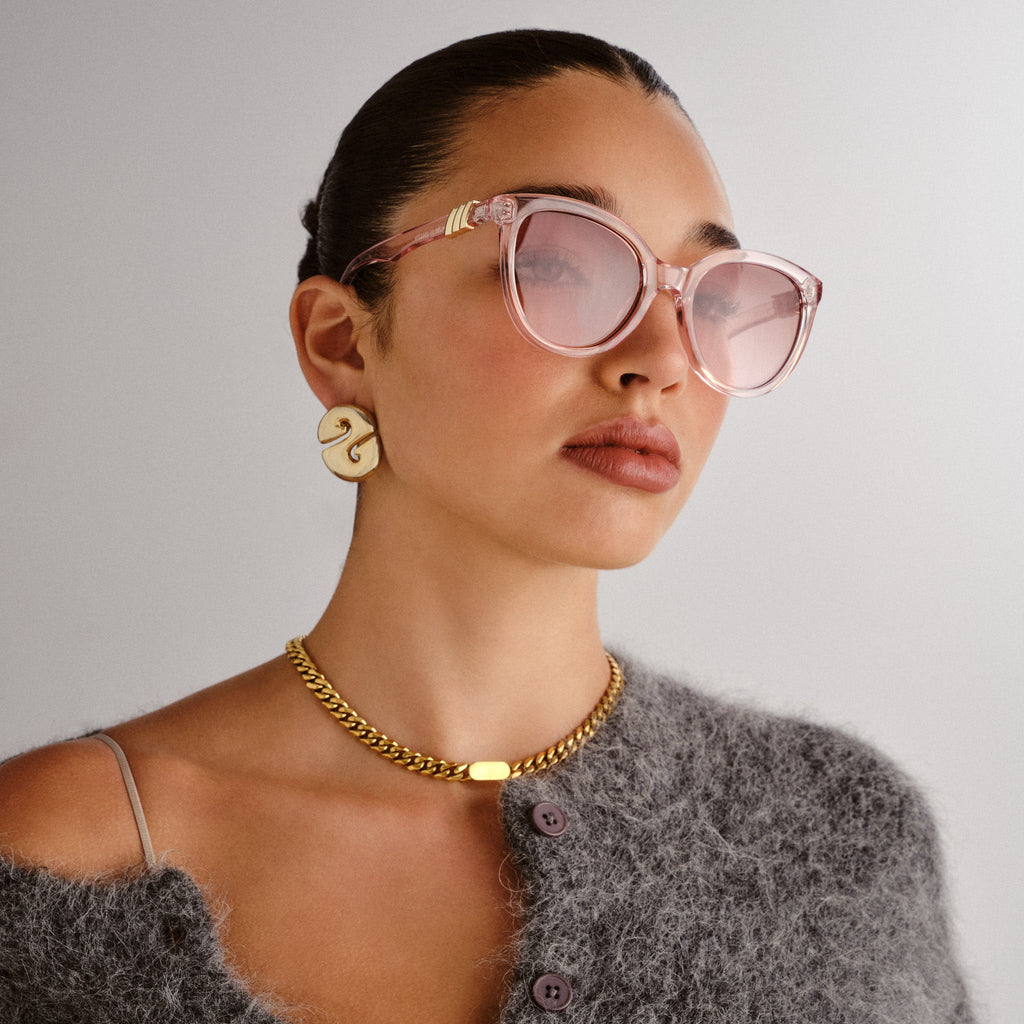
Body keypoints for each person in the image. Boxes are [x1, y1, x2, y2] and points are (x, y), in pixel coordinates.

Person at [0, 28, 973, 1024]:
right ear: (343, 345)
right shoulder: (53, 857)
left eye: (710, 299)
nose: (660, 357)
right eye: (560, 266)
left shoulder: (845, 839)